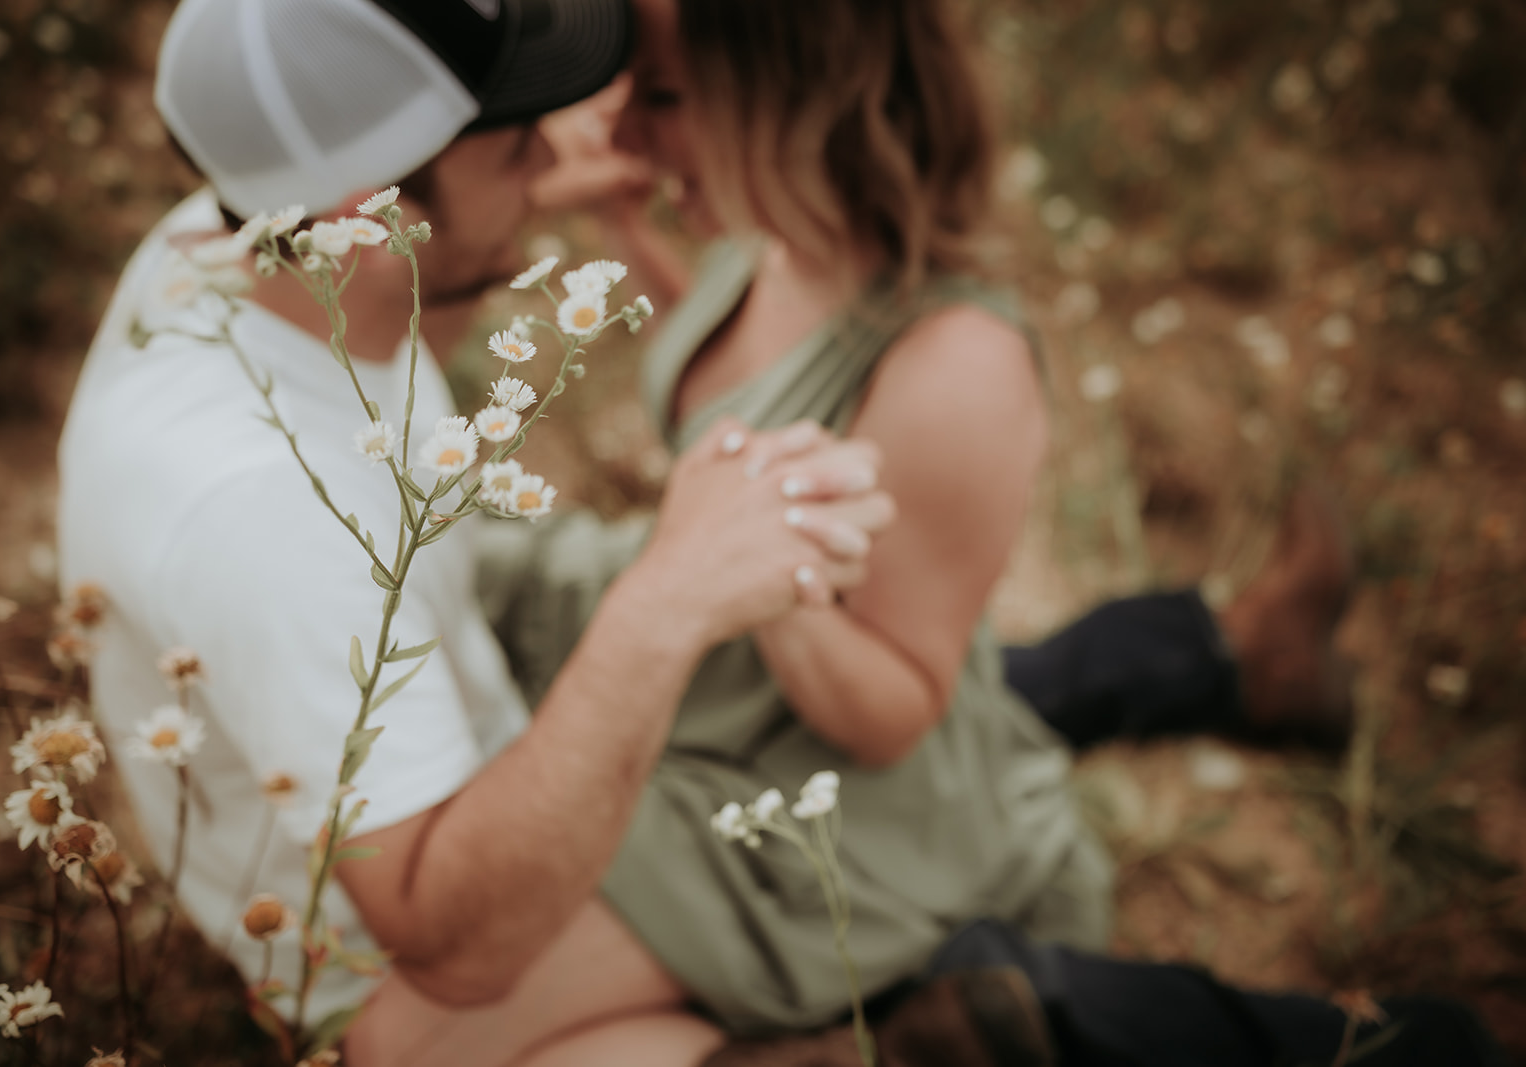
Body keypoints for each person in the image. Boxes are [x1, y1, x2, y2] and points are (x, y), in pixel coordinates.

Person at [458, 0, 1509, 1064]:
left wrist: (732, 571)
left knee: (997, 970)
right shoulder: (766, 242)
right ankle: (1240, 656)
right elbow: (754, 392)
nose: (617, 131)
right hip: (744, 707)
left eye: (663, 96)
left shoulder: (954, 366)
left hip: (856, 795)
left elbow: (897, 708)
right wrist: (630, 237)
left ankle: (1400, 1050)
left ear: (800, 97)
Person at [57, 3, 895, 1067]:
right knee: (885, 847)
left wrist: (521, 197)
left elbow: (386, 327)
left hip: (472, 700)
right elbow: (452, 939)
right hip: (401, 954)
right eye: (515, 142)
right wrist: (664, 604)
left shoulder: (235, 235)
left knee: (904, 705)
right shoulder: (265, 507)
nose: (554, 152)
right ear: (375, 217)